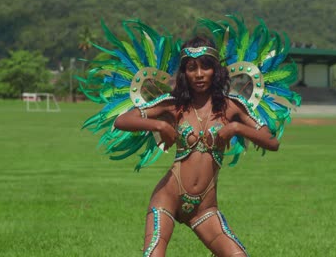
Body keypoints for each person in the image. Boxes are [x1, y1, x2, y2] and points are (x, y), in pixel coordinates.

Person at [113, 36, 280, 256]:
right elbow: (122, 120)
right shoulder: (174, 105)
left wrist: (236, 129)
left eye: (205, 67)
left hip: (205, 207)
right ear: (184, 73)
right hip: (168, 198)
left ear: (215, 70)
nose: (199, 74)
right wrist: (161, 125)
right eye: (191, 68)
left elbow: (271, 141)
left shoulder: (232, 106)